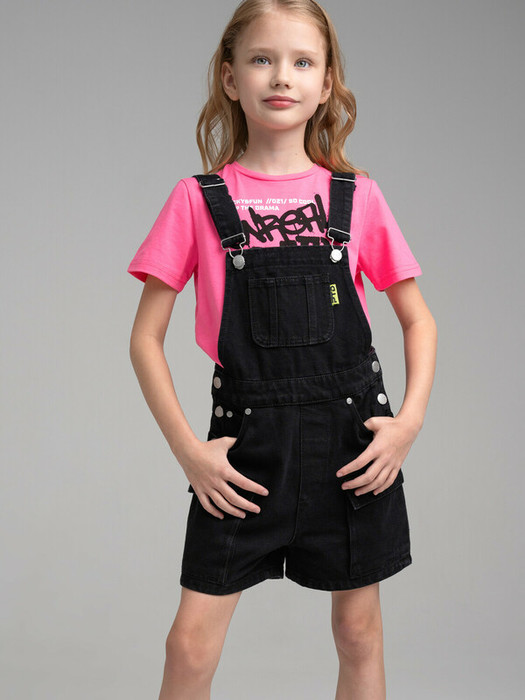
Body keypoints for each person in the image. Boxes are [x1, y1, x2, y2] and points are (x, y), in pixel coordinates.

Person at [127, 0, 437, 697]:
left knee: (359, 634)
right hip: (245, 454)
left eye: (302, 62)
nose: (281, 77)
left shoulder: (356, 196)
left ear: (326, 84)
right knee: (189, 645)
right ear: (230, 77)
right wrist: (187, 451)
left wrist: (408, 424)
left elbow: (419, 321)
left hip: (351, 448)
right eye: (261, 59)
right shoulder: (197, 199)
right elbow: (145, 338)